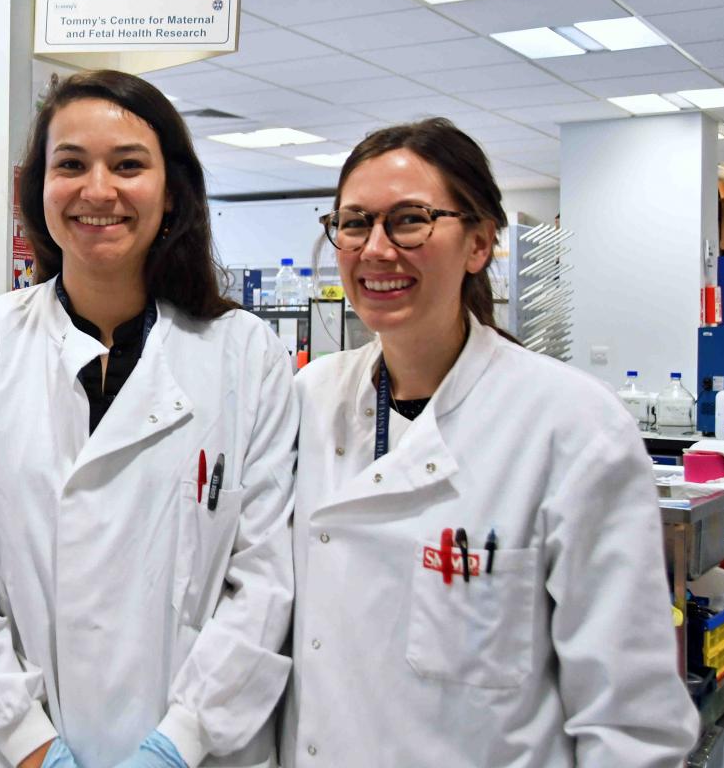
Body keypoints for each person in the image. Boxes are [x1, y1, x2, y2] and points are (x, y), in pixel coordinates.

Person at [0, 69, 297, 768]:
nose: (97, 191)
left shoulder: (248, 355)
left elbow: (264, 580)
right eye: (70, 165)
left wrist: (179, 743)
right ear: (40, 191)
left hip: (199, 749)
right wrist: (30, 743)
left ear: (171, 190)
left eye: (127, 166)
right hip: (20, 744)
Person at [283, 118, 699, 766]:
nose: (376, 249)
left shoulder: (571, 424)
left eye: (411, 220)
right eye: (355, 222)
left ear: (479, 243)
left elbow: (631, 723)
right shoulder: (309, 399)